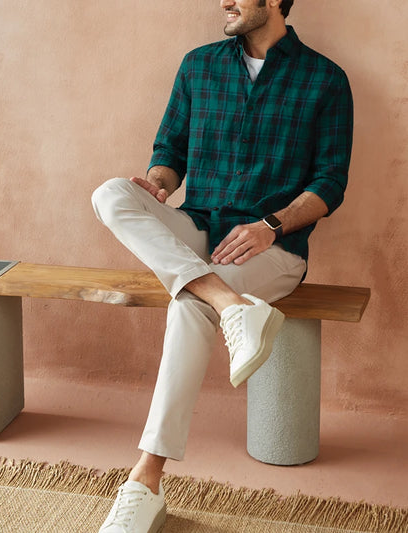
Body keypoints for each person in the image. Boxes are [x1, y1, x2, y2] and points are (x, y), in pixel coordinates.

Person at [91, 0, 353, 531]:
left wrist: (270, 226)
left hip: (273, 250)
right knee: (111, 194)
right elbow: (169, 150)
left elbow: (330, 184)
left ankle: (145, 479)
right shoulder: (198, 65)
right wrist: (159, 183)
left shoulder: (325, 80)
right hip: (198, 228)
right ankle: (232, 305)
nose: (223, 2)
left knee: (189, 302)